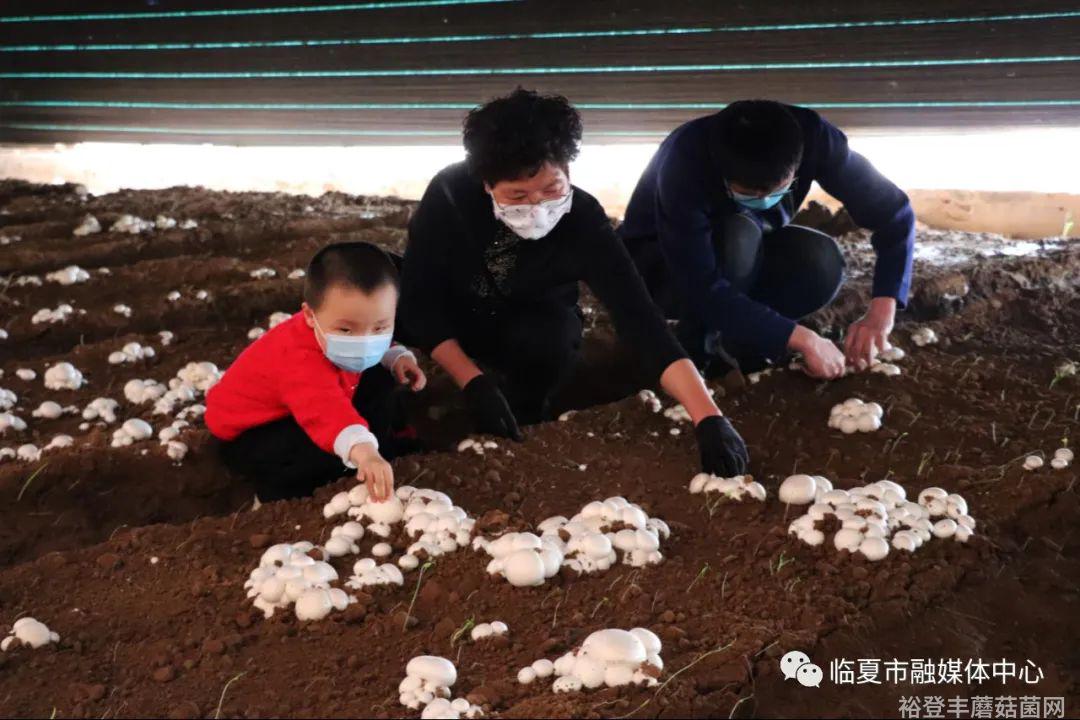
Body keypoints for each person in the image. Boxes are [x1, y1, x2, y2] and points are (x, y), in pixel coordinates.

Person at [398, 88, 749, 477]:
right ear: (486, 184)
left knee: (553, 336)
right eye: (517, 196)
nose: (537, 206)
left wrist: (708, 417)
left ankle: (528, 410)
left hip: (526, 325)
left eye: (552, 189)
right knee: (373, 284)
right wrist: (471, 379)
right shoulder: (450, 195)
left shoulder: (583, 221)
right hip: (455, 308)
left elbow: (641, 321)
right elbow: (419, 296)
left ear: (569, 170)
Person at [620, 100, 915, 380]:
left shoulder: (814, 138)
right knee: (738, 234)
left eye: (776, 191)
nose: (763, 200)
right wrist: (803, 338)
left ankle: (749, 342)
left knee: (821, 261)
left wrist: (882, 310)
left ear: (795, 169)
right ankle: (698, 356)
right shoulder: (685, 159)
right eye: (748, 193)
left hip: (747, 252)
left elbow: (894, 213)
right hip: (661, 270)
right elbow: (699, 283)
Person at [205, 241, 426, 502]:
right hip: (254, 433)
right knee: (320, 452)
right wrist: (363, 452)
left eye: (379, 328)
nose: (365, 342)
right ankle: (277, 497)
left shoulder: (337, 331)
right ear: (310, 316)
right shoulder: (298, 359)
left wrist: (395, 356)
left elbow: (371, 342)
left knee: (378, 377)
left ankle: (382, 444)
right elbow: (324, 411)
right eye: (346, 330)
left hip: (306, 404)